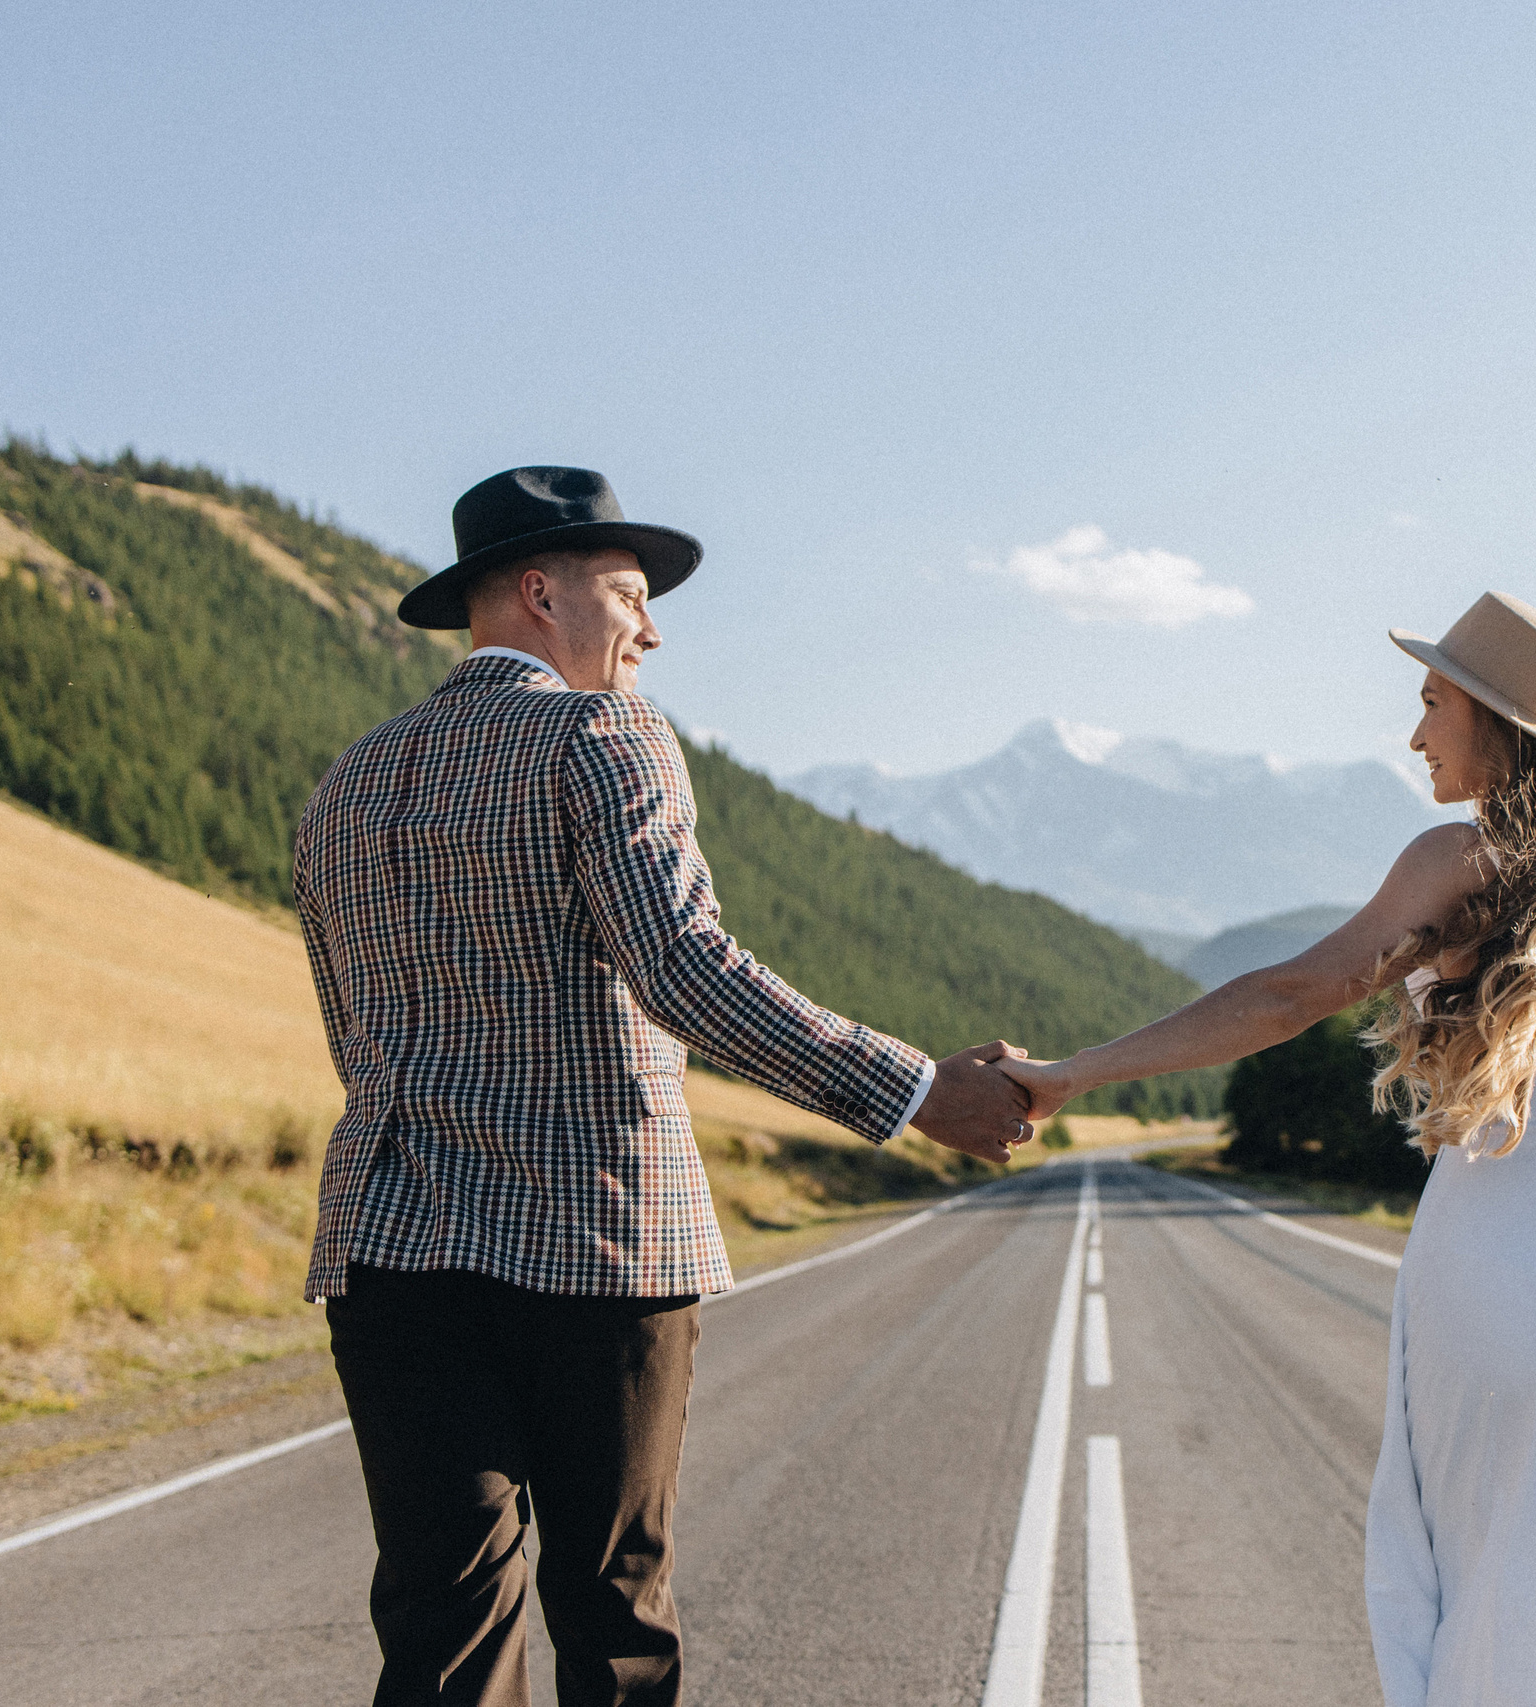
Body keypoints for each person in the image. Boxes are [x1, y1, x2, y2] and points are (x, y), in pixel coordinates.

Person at [293, 465, 1034, 1707]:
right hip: (595, 1246)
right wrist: (913, 1092)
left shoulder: (345, 787)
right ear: (540, 594)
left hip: (391, 1247)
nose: (652, 629)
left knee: (440, 1624)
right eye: (631, 596)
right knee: (614, 1616)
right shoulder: (602, 734)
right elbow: (685, 968)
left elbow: (352, 1031)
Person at [1000, 591, 1536, 1705]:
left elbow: (1291, 993)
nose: (1415, 733)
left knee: (1492, 1564)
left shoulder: (1459, 862)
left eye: (1434, 702)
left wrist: (1071, 1073)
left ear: (1498, 725)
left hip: (1506, 1245)